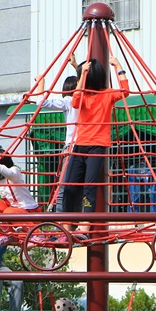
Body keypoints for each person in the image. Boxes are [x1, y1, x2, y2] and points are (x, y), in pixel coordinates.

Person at [62, 55, 130, 235]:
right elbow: (75, 101)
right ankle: (69, 226)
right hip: (80, 145)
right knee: (69, 185)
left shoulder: (107, 95)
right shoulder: (82, 95)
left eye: (83, 76)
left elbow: (125, 91)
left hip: (96, 146)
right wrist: (82, 75)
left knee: (89, 187)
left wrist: (118, 66)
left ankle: (85, 227)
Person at [28, 58, 80, 212]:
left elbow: (41, 101)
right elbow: (41, 103)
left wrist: (76, 66)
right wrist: (42, 83)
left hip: (77, 145)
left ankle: (67, 218)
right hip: (76, 146)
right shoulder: (70, 101)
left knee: (71, 184)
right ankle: (61, 216)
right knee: (68, 184)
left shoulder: (79, 100)